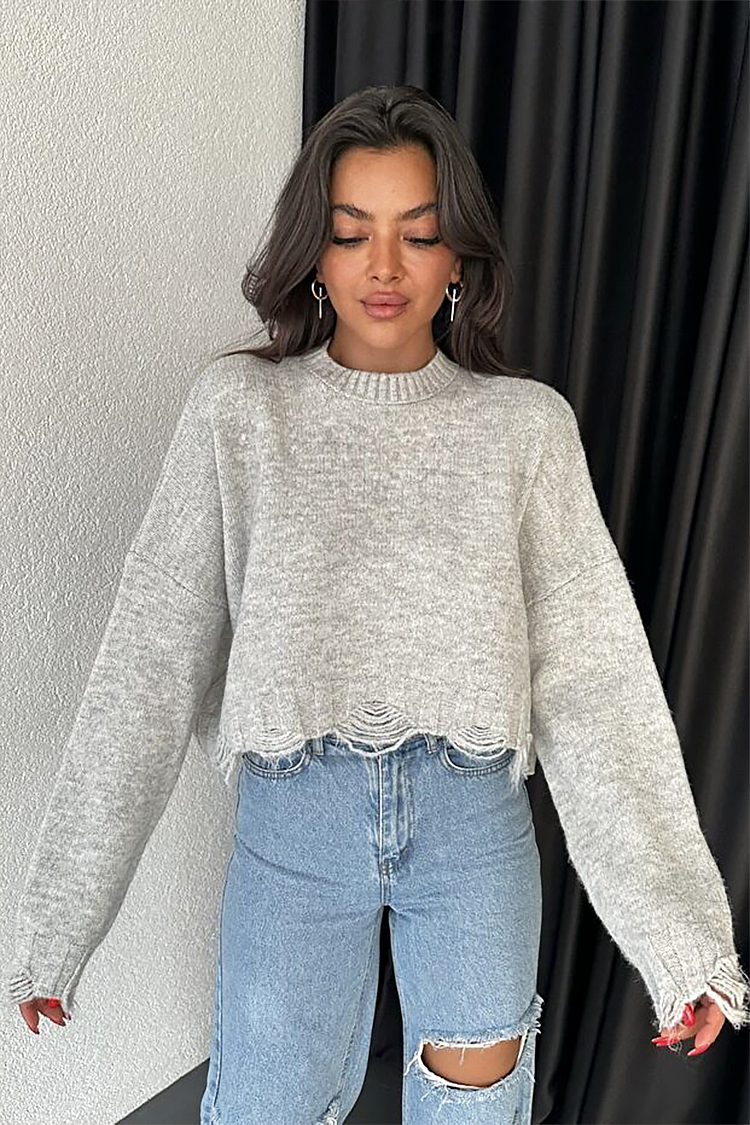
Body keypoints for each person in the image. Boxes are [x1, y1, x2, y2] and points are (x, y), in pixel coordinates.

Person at [11, 85, 749, 1125]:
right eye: (353, 233)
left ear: (460, 259)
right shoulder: (241, 411)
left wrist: (682, 945)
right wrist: (60, 928)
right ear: (314, 253)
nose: (386, 267)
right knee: (265, 1106)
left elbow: (597, 688)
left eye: (420, 233)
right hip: (292, 829)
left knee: (474, 1111)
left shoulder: (525, 430)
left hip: (472, 833)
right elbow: (149, 661)